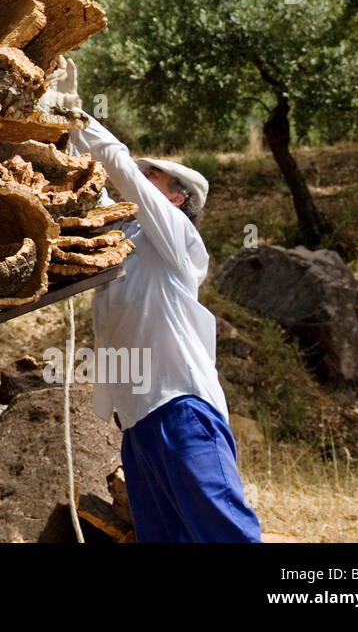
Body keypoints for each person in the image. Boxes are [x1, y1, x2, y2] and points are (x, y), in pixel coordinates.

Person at [58, 61, 262, 543]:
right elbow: (93, 185)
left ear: (176, 199)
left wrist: (80, 114)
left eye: (153, 178)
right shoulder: (125, 235)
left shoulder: (179, 240)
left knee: (226, 535)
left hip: (183, 408)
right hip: (138, 424)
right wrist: (61, 125)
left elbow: (119, 169)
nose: (140, 181)